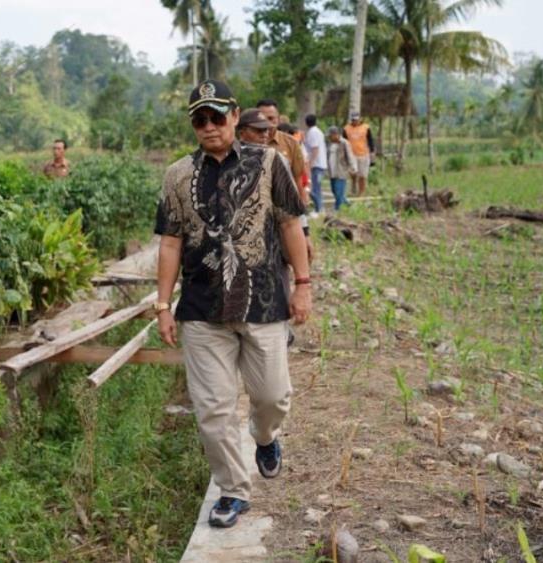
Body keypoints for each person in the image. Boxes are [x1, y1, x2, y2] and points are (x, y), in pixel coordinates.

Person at [155, 79, 312, 529]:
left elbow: (290, 226)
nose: (209, 126)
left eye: (217, 116)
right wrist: (162, 305)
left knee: (272, 396)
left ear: (234, 115)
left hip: (264, 303)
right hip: (202, 309)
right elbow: (170, 243)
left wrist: (303, 284)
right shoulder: (178, 175)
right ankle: (232, 491)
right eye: (199, 119)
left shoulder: (269, 163)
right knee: (213, 409)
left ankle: (264, 436)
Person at [258, 100, 313, 263]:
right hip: (256, 221)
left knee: (286, 263)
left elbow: (298, 187)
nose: (267, 123)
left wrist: (305, 232)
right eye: (262, 119)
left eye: (271, 118)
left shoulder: (290, 144)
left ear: (278, 119)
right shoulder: (246, 144)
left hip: (285, 218)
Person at [343, 111, 376, 196]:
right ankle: (353, 187)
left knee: (362, 175)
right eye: (353, 120)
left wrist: (372, 152)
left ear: (360, 119)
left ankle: (361, 192)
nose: (355, 121)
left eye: (356, 120)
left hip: (363, 154)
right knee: (353, 173)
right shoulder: (346, 129)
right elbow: (344, 142)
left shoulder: (366, 127)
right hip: (351, 155)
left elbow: (370, 140)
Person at [327, 126, 358, 211]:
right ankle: (347, 204)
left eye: (330, 136)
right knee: (334, 191)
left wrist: (353, 168)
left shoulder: (344, 143)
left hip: (341, 171)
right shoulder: (330, 144)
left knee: (338, 191)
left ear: (336, 134)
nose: (329, 137)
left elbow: (350, 156)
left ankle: (337, 209)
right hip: (332, 172)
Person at [302, 114, 327, 215]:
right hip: (320, 163)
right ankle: (319, 208)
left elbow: (315, 149)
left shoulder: (312, 132)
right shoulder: (318, 131)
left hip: (316, 164)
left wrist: (311, 163)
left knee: (315, 188)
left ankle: (318, 209)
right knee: (316, 187)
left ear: (306, 123)